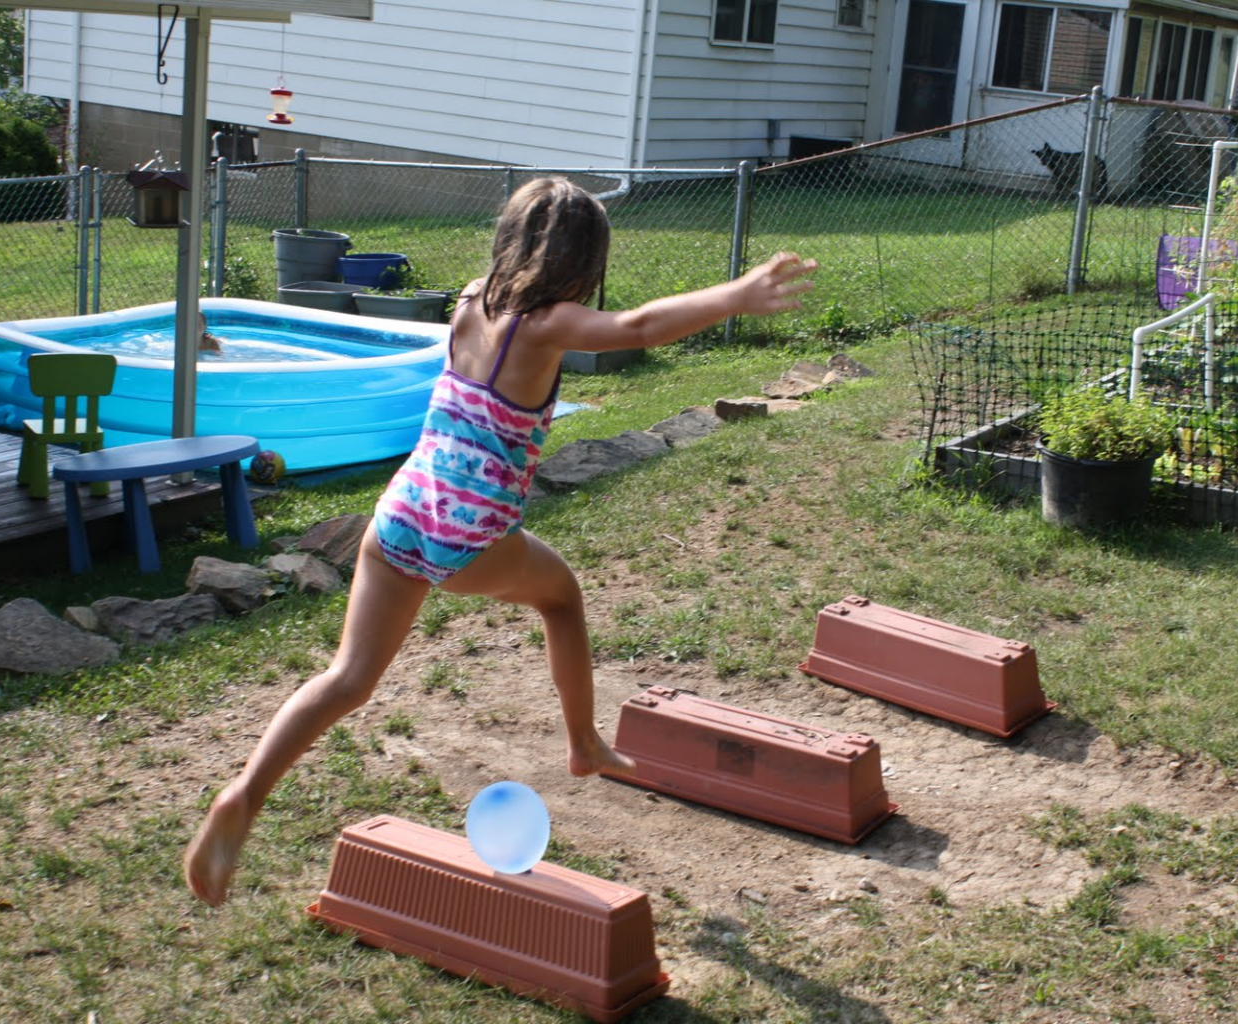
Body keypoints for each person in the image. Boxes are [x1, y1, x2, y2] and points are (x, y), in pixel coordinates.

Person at [183, 177, 817, 907]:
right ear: (583, 261)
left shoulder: (471, 299)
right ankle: (584, 745)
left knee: (349, 679)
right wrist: (734, 294)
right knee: (563, 600)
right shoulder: (546, 323)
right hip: (469, 532)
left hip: (402, 513)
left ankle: (244, 794)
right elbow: (639, 326)